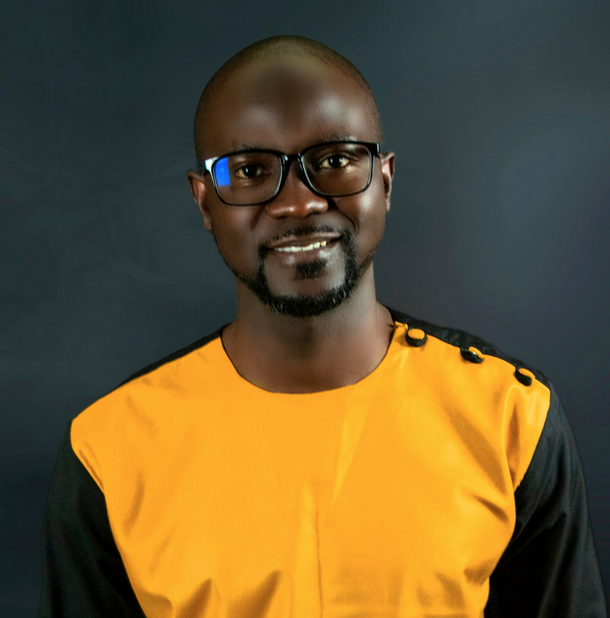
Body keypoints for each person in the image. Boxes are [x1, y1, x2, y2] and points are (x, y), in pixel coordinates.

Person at [39, 35, 607, 618]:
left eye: (334, 161)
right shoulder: (109, 452)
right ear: (205, 202)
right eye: (251, 170)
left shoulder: (510, 418)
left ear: (385, 180)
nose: (298, 203)